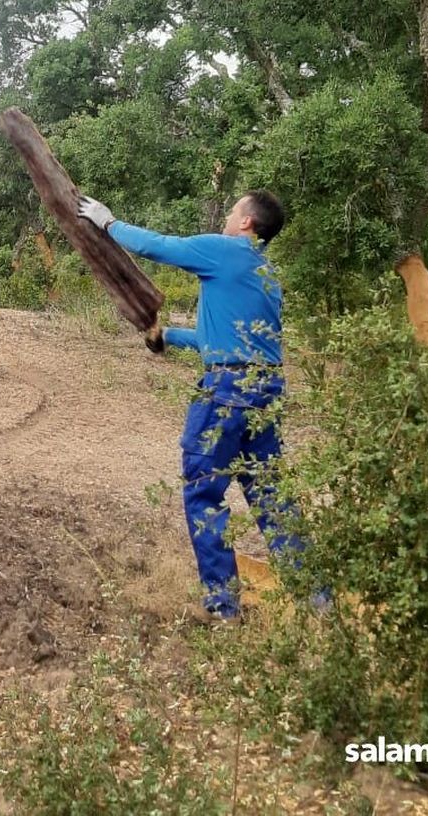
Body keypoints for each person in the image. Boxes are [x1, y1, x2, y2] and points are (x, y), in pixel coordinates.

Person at [78, 189, 316, 621]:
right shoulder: (266, 273)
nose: (227, 214)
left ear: (247, 222)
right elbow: (217, 341)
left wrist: (108, 223)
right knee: (270, 496)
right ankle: (318, 603)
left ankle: (224, 607)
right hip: (266, 389)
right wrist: (168, 336)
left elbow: (160, 246)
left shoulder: (225, 250)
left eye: (233, 209)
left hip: (226, 392)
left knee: (204, 492)